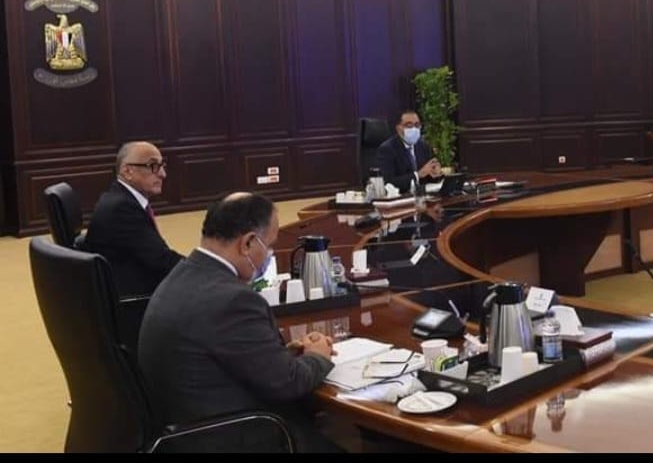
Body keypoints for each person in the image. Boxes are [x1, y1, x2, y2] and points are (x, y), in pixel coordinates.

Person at [139, 192, 338, 452]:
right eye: (269, 246)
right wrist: (318, 355)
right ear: (248, 243)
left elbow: (221, 354)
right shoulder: (232, 300)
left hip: (185, 431)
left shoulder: (183, 274)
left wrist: (285, 353)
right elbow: (287, 383)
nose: (269, 254)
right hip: (234, 437)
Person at [83, 141, 183, 297]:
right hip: (133, 298)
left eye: (162, 165)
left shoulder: (119, 197)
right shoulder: (122, 209)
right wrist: (204, 269)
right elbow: (161, 260)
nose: (163, 174)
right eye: (153, 166)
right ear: (128, 171)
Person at [375, 109, 442, 193]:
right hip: (401, 196)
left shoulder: (424, 146)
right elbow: (389, 182)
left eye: (417, 125)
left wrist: (436, 173)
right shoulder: (387, 149)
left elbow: (430, 178)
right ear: (398, 128)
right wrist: (418, 175)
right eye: (409, 125)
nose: (414, 129)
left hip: (423, 195)